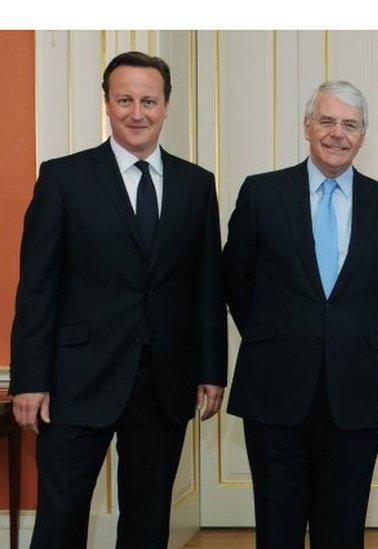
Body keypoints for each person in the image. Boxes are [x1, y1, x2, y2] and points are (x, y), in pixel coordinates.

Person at [9, 51, 226, 548]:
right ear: (106, 104)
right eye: (124, 99)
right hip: (74, 382)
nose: (137, 112)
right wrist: (29, 380)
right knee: (61, 518)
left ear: (165, 105)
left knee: (148, 521)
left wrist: (212, 369)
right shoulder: (64, 178)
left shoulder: (197, 185)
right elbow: (37, 286)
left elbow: (206, 286)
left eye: (148, 100)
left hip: (163, 383)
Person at [222, 80, 378, 548]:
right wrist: (278, 335)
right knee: (277, 522)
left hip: (356, 389)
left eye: (350, 125)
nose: (337, 134)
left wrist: (354, 338)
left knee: (343, 526)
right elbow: (235, 279)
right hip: (274, 385)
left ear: (363, 135)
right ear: (307, 126)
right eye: (327, 121)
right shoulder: (262, 193)